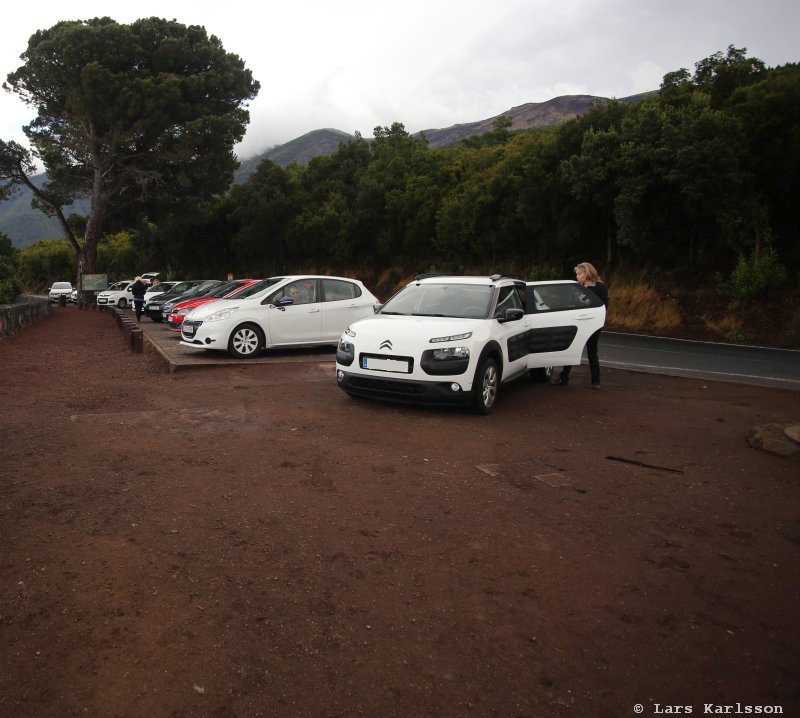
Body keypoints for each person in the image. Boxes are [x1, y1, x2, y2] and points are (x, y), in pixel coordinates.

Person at [554, 262, 609, 390]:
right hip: (576, 322)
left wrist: (599, 323)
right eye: (577, 274)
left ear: (588, 273)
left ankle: (596, 382)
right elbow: (570, 304)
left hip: (593, 324)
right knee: (571, 349)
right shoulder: (576, 287)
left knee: (592, 351)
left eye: (580, 274)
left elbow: (604, 307)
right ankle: (564, 377)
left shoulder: (600, 287)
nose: (577, 276)